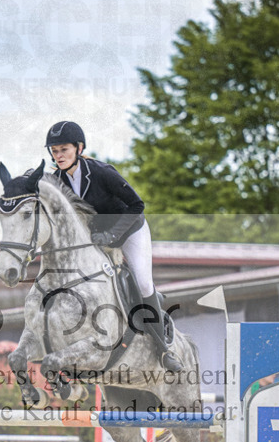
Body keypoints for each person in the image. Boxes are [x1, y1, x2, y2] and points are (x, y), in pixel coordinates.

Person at [44, 120, 182, 372]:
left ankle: (164, 350)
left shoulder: (101, 172)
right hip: (95, 238)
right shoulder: (57, 180)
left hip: (130, 230)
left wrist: (111, 235)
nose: (59, 155)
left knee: (142, 283)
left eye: (63, 149)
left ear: (79, 148)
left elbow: (137, 205)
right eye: (54, 151)